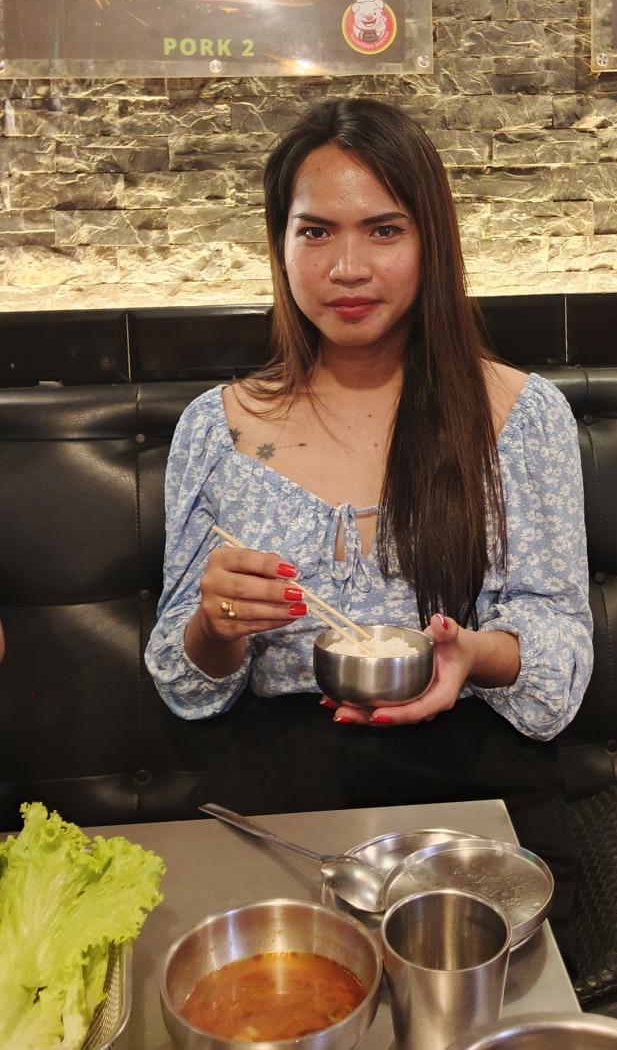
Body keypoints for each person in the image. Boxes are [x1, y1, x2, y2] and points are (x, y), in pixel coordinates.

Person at [145, 97, 593, 965]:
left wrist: (471, 654)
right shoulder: (217, 428)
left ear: (431, 242)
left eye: (384, 231)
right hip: (281, 782)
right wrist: (216, 625)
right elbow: (183, 683)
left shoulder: (521, 416)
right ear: (280, 245)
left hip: (471, 779)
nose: (347, 268)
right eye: (315, 233)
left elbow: (560, 649)